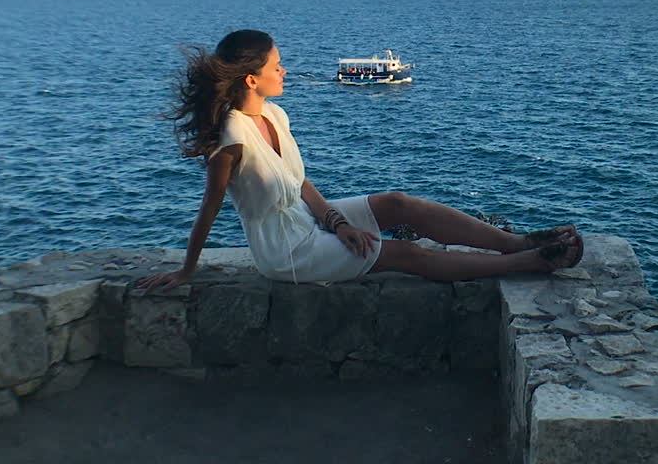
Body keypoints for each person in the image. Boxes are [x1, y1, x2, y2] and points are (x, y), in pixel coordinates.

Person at [136, 29, 582, 291]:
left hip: (308, 222)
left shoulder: (274, 114)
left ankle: (516, 242)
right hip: (286, 250)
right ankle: (528, 263)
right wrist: (187, 270)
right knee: (403, 253)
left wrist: (338, 223)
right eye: (276, 67)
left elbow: (300, 183)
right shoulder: (233, 140)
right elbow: (209, 209)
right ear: (252, 79)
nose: (284, 71)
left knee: (398, 203)